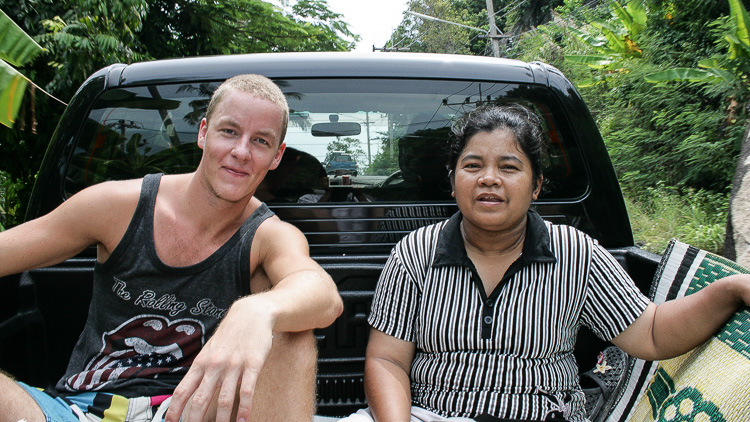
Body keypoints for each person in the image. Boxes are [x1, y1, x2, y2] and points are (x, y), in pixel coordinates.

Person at [343, 104, 750, 422]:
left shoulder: (577, 252)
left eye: (509, 167)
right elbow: (387, 360)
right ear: (453, 182)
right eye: (472, 166)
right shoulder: (415, 252)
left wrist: (729, 290)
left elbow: (655, 334)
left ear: (536, 185)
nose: (488, 178)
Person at [0, 74, 343, 422]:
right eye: (229, 132)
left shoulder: (267, 236)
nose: (241, 152)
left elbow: (322, 294)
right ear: (204, 132)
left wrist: (255, 312)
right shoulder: (117, 205)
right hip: (79, 409)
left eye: (260, 141)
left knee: (292, 334)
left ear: (276, 156)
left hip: (187, 408)